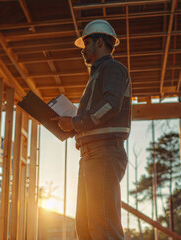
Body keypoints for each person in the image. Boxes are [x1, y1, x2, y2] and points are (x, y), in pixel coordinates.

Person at [52, 19, 131, 239]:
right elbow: (99, 113)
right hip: (90, 155)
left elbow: (111, 105)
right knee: (86, 229)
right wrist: (71, 124)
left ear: (99, 42)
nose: (83, 50)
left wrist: (76, 123)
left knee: (104, 228)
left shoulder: (112, 69)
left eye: (86, 44)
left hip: (103, 153)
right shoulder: (97, 75)